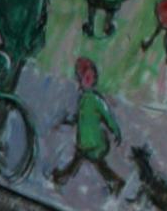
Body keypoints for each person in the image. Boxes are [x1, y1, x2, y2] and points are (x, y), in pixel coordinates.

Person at [49, 56, 125, 194]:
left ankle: (116, 181)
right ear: (79, 79)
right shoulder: (83, 99)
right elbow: (80, 118)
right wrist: (67, 121)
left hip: (95, 143)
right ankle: (115, 181)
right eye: (85, 77)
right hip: (85, 142)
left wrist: (116, 131)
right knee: (87, 163)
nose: (88, 81)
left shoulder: (95, 100)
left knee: (90, 163)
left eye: (91, 77)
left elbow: (108, 117)